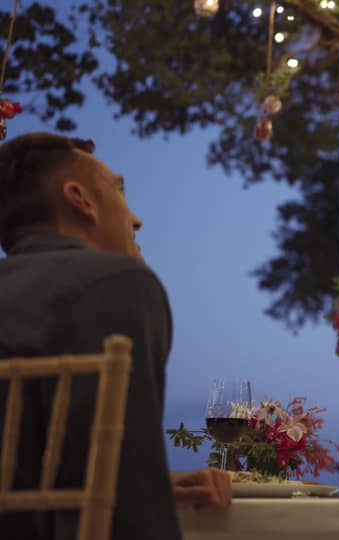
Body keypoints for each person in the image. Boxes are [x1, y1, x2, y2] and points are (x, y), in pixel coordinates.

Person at [0, 132, 231, 540]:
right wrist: (140, 490)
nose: (135, 219)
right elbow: (130, 512)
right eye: (119, 191)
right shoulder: (115, 284)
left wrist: (159, 483)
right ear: (81, 200)